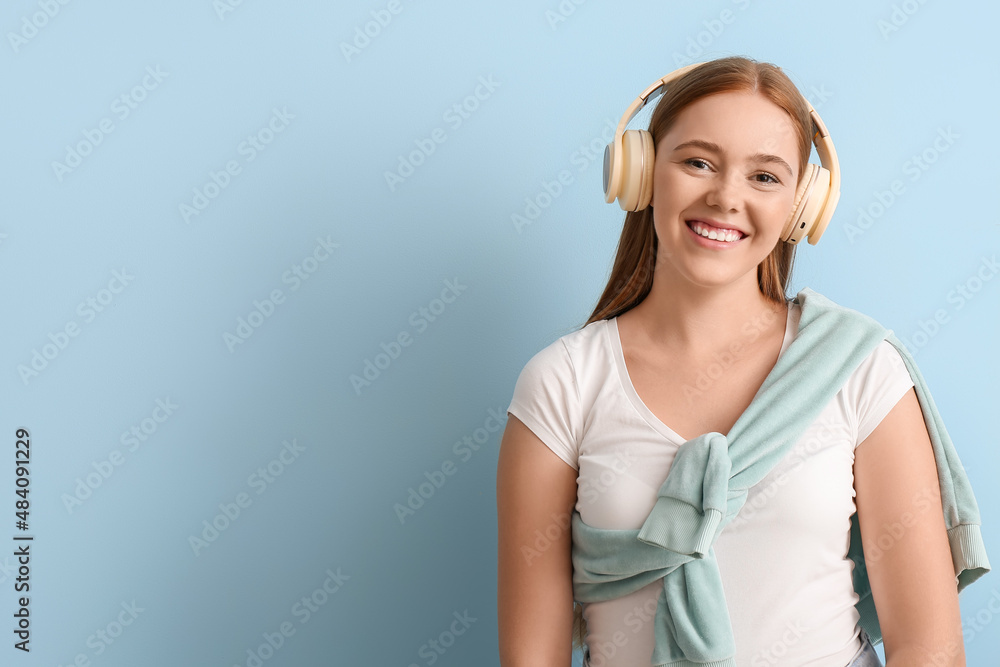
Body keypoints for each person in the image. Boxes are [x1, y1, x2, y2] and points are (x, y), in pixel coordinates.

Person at [496, 56, 977, 666]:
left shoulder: (863, 371)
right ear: (642, 172)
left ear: (803, 203)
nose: (725, 197)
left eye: (765, 177)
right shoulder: (562, 382)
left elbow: (929, 649)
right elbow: (531, 657)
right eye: (697, 162)